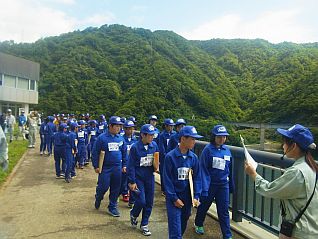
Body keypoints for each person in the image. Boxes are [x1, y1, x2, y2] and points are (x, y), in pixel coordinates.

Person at [245, 124, 318, 239]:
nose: (283, 146)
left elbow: (268, 189)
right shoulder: (311, 167)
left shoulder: (296, 172)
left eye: (284, 142)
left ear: (293, 146)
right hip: (311, 229)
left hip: (298, 232)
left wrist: (253, 174)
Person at [194, 125, 234, 239]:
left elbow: (229, 169)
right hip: (210, 184)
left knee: (224, 210)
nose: (222, 139)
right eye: (219, 137)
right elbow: (203, 169)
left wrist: (231, 185)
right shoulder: (208, 150)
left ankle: (227, 235)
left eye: (224, 137)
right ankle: (198, 223)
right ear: (214, 137)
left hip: (223, 185)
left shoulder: (227, 150)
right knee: (204, 206)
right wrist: (204, 187)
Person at [163, 126, 203, 239]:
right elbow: (167, 180)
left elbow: (197, 178)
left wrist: (196, 195)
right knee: (175, 225)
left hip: (187, 198)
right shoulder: (170, 157)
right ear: (183, 139)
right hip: (174, 198)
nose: (194, 142)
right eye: (192, 139)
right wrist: (174, 198)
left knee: (183, 221)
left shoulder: (193, 158)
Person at [127, 124, 159, 236]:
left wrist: (156, 166)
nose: (152, 137)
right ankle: (134, 214)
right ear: (142, 135)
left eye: (152, 135)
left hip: (149, 176)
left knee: (149, 202)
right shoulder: (135, 147)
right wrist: (132, 181)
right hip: (138, 177)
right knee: (141, 200)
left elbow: (156, 159)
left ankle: (144, 224)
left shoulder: (154, 145)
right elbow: (130, 165)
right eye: (149, 135)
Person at [92, 116, 126, 217]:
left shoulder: (120, 138)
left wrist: (124, 165)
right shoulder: (102, 138)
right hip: (105, 168)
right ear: (110, 126)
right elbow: (95, 152)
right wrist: (96, 166)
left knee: (116, 188)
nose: (119, 128)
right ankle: (99, 196)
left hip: (117, 167)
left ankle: (112, 206)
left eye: (120, 126)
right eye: (116, 126)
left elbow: (124, 153)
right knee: (104, 186)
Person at [121, 120, 138, 205]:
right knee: (124, 180)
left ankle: (132, 199)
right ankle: (124, 193)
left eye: (132, 129)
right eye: (128, 129)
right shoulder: (121, 139)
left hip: (132, 163)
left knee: (132, 179)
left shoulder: (135, 140)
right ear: (124, 129)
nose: (130, 130)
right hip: (124, 162)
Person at [158, 118, 176, 195]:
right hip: (164, 157)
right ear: (165, 126)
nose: (171, 128)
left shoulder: (174, 134)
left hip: (172, 157)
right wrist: (165, 155)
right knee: (163, 172)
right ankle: (164, 189)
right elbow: (161, 147)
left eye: (172, 126)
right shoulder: (162, 135)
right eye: (169, 126)